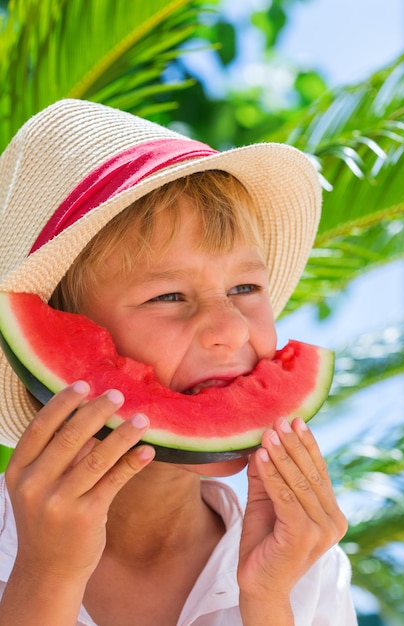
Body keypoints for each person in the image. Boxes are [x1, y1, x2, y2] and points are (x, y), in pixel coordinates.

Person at [0, 99, 357, 625]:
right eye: (168, 296)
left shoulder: (308, 569)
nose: (231, 329)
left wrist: (268, 600)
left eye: (245, 287)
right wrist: (45, 576)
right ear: (71, 335)